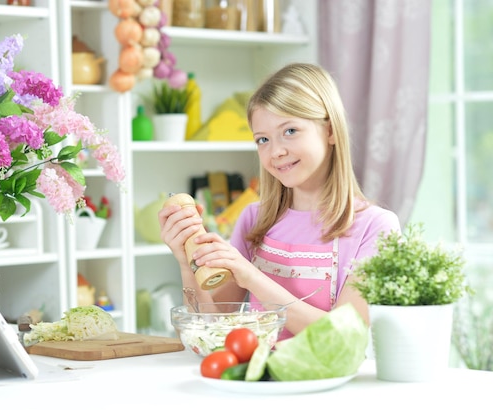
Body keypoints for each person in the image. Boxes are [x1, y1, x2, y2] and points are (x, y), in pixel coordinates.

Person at [158, 63, 401, 339]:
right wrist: (186, 260)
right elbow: (212, 326)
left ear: (331, 131)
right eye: (263, 139)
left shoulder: (376, 227)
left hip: (328, 381)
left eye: (290, 131)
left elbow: (343, 335)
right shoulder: (255, 220)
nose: (276, 151)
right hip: (257, 378)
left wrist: (251, 277)